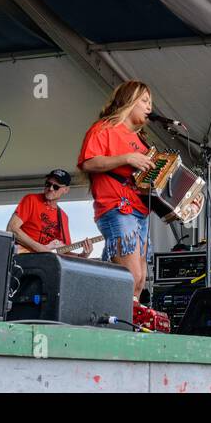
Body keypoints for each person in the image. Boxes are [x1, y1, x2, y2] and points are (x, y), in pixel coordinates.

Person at [77, 80, 157, 299]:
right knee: (130, 275)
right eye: (144, 100)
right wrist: (127, 158)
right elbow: (88, 163)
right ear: (129, 101)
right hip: (117, 207)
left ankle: (130, 325)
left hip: (140, 211)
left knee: (140, 280)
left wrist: (185, 201)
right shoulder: (104, 128)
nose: (150, 107)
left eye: (150, 102)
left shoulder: (142, 141)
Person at [8, 169, 91, 255]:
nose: (51, 188)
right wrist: (40, 248)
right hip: (20, 257)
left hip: (43, 263)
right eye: (48, 184)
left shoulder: (63, 217)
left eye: (56, 187)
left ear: (66, 190)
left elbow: (64, 253)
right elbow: (12, 229)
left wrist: (83, 255)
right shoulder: (31, 200)